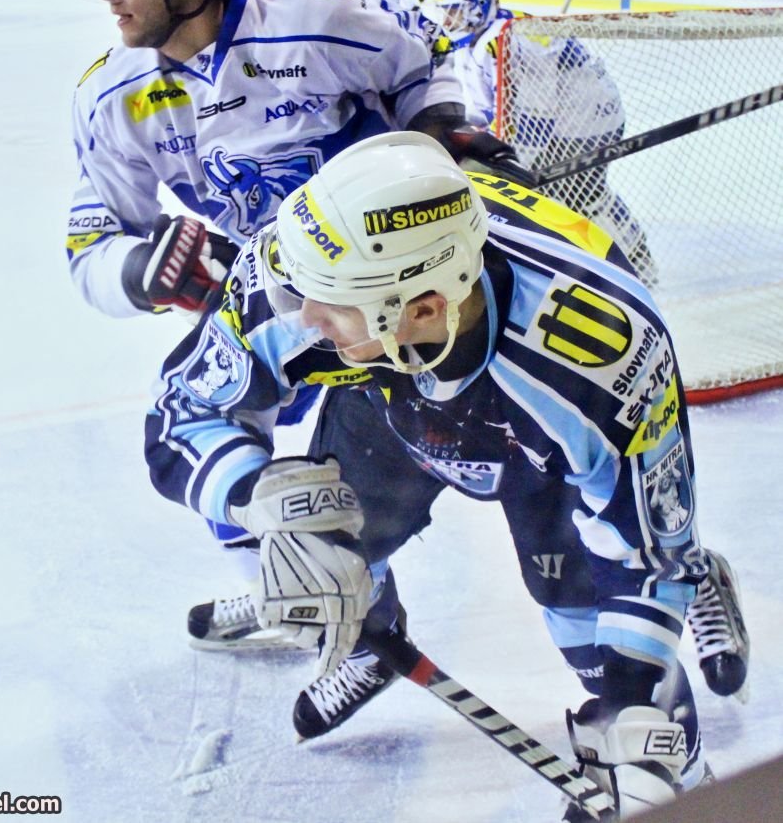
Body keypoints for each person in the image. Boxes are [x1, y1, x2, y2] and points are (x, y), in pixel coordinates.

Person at [144, 132, 726, 816]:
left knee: (587, 623)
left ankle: (681, 760)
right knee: (331, 540)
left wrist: (633, 714)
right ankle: (370, 647)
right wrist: (256, 495)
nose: (302, 316)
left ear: (422, 307)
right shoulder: (303, 261)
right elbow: (179, 413)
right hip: (381, 387)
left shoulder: (606, 357)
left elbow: (646, 557)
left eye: (328, 300)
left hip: (533, 442)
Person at [66, 0, 520, 642]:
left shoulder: (313, 10)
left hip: (391, 281)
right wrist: (143, 270)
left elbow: (424, 61)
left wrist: (441, 128)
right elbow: (90, 245)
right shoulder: (112, 98)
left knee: (517, 440)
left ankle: (661, 562)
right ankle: (298, 588)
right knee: (205, 429)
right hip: (282, 294)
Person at [425, 0, 659, 287]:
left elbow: (536, 119)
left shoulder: (516, 41)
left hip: (586, 121)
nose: (448, 19)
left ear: (478, 6)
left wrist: (515, 165)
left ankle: (636, 262)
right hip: (564, 121)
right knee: (569, 196)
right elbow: (484, 109)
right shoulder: (481, 39)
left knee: (584, 196)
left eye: (454, 10)